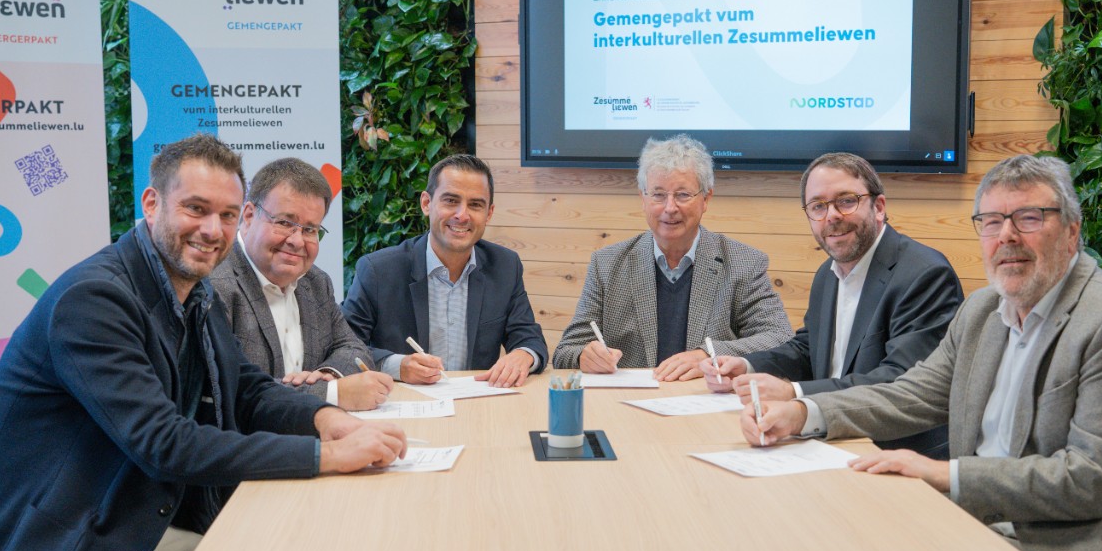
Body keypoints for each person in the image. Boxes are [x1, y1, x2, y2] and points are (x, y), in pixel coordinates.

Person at [0, 134, 407, 551]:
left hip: (129, 524)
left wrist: (324, 420)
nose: (214, 230)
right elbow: (164, 444)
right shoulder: (93, 301)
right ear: (151, 204)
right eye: (196, 209)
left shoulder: (193, 291)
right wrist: (325, 457)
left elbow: (244, 388)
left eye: (227, 215)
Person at [744, 154, 1102, 551]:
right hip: (988, 525)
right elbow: (911, 393)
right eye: (992, 222)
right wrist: (803, 412)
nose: (1006, 236)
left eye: (1028, 218)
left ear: (1072, 232)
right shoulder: (984, 310)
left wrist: (944, 474)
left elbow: (1090, 480)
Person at [701, 152, 962, 456]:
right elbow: (808, 349)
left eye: (846, 201)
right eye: (818, 206)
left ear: (878, 207)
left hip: (897, 452)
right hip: (832, 441)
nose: (832, 216)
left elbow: (899, 382)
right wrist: (747, 365)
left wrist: (793, 393)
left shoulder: (924, 274)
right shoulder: (829, 272)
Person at [552, 134, 793, 379]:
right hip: (626, 405)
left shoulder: (743, 263)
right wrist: (584, 355)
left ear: (706, 199)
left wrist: (707, 354)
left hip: (705, 403)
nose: (669, 208)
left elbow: (779, 337)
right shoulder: (607, 264)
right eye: (658, 195)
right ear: (642, 199)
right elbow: (565, 352)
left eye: (682, 195)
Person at [342, 153, 547, 387]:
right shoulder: (378, 270)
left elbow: (529, 337)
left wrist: (524, 355)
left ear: (488, 214)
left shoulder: (505, 266)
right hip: (402, 403)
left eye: (475, 205)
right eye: (451, 201)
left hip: (477, 404)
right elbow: (345, 347)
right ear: (427, 204)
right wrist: (396, 366)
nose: (462, 215)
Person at [210, 158, 394, 410]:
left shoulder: (316, 281)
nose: (297, 241)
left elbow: (351, 347)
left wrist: (329, 374)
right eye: (285, 223)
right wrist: (329, 393)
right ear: (250, 215)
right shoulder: (215, 285)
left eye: (310, 229)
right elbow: (225, 390)